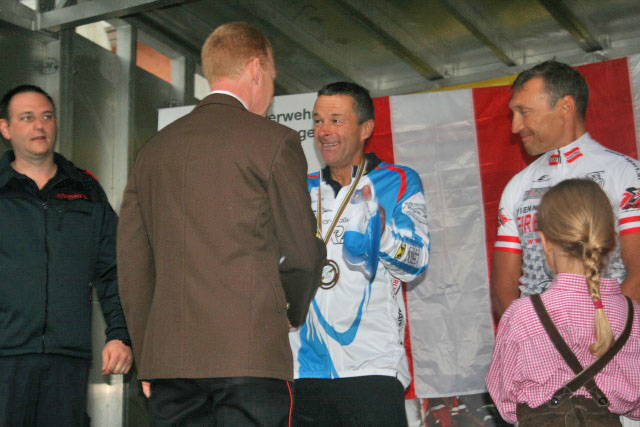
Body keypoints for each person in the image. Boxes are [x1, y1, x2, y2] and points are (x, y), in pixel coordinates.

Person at [117, 22, 326, 426]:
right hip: (249, 357)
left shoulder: (152, 152)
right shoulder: (274, 141)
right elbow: (303, 254)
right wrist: (290, 311)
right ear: (256, 69)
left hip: (170, 364)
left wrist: (148, 356)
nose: (271, 91)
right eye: (272, 77)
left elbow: (133, 267)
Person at [289, 82, 430, 426]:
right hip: (304, 369)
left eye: (336, 120)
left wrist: (383, 235)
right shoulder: (298, 187)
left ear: (366, 128)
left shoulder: (398, 181)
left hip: (373, 367)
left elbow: (417, 263)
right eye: (318, 121)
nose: (324, 131)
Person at [0, 85, 132, 426]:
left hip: (67, 360)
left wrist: (119, 335)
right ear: (5, 128)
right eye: (26, 118)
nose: (39, 126)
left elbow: (115, 270)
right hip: (6, 357)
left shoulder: (86, 191)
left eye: (46, 116)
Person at [492, 60, 640, 318]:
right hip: (538, 336)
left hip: (612, 333)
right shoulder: (518, 185)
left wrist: (602, 332)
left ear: (566, 107)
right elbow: (502, 288)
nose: (515, 127)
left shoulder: (626, 174)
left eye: (524, 112)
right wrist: (537, 334)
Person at [486, 178, 640, 424]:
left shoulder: (522, 315)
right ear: (610, 240)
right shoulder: (633, 315)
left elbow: (505, 401)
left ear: (545, 242)